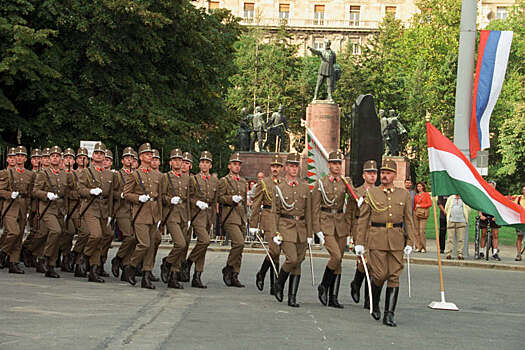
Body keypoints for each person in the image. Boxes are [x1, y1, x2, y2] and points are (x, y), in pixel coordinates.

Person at [355, 158, 416, 327]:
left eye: (388, 173)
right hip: (377, 238)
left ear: (395, 175)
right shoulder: (372, 194)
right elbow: (363, 219)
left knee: (394, 276)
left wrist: (410, 241)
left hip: (396, 239)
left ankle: (389, 314)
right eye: (383, 173)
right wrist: (359, 242)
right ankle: (374, 302)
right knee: (380, 275)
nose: (384, 176)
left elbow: (409, 220)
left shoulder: (403, 194)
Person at [313, 150, 357, 308]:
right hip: (326, 222)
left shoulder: (345, 182)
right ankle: (323, 285)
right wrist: (316, 229)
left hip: (341, 222)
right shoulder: (321, 183)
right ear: (329, 165)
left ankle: (333, 297)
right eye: (334, 163)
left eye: (339, 163)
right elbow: (315, 208)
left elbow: (354, 198)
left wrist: (352, 190)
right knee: (336, 256)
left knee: (339, 261)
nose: (337, 166)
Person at [269, 153, 312, 307]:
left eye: (296, 166)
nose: (294, 169)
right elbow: (275, 212)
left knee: (298, 262)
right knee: (292, 259)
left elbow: (308, 212)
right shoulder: (279, 189)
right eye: (291, 166)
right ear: (286, 168)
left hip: (301, 228)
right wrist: (275, 232)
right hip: (285, 227)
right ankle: (279, 284)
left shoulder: (305, 188)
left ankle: (292, 296)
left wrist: (310, 233)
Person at [122, 143, 163, 289]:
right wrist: (138, 198)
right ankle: (131, 266)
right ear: (140, 157)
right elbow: (126, 194)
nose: (150, 156)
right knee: (144, 244)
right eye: (146, 154)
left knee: (151, 246)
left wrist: (160, 217)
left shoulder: (157, 175)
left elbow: (159, 197)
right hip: (140, 214)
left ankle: (146, 275)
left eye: (151, 154)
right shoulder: (134, 174)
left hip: (153, 215)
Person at [180, 151, 218, 287]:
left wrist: (213, 220)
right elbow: (188, 197)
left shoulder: (214, 181)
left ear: (210, 165)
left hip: (207, 216)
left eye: (207, 162)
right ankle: (188, 262)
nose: (204, 164)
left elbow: (214, 202)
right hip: (196, 215)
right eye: (202, 162)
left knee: (203, 247)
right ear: (199, 164)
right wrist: (196, 202)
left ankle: (197, 275)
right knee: (205, 240)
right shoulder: (193, 179)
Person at [77, 142, 114, 283]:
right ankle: (85, 257)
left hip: (103, 209)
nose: (99, 156)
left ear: (104, 156)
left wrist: (110, 213)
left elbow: (110, 195)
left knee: (101, 239)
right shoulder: (86, 172)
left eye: (101, 154)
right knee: (96, 235)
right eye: (96, 153)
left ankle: (93, 270)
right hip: (90, 208)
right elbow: (80, 189)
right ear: (93, 156)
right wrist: (90, 191)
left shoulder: (109, 174)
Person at [32, 146, 70, 278]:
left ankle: (51, 266)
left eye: (57, 156)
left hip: (59, 209)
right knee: (56, 231)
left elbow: (68, 192)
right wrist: (46, 194)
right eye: (52, 156)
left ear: (61, 159)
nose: (55, 157)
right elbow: (35, 191)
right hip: (47, 208)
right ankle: (44, 256)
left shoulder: (65, 174)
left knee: (58, 236)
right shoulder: (43, 173)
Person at [250, 154, 283, 295]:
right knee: (274, 250)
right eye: (273, 166)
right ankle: (266, 276)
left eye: (278, 166)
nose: (275, 169)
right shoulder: (263, 183)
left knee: (277, 252)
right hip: (268, 217)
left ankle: (269, 281)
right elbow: (256, 205)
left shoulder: (284, 183)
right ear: (270, 168)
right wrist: (253, 224)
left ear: (282, 168)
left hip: (281, 220)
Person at [159, 149, 191, 289]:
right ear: (171, 162)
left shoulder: (186, 178)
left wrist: (189, 217)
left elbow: (188, 199)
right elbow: (162, 196)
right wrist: (170, 199)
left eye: (180, 160)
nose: (178, 162)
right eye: (175, 160)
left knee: (183, 247)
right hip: (171, 214)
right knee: (180, 243)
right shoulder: (166, 177)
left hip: (183, 214)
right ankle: (167, 263)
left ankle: (173, 275)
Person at [0, 146, 34, 274]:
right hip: (10, 206)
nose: (19, 158)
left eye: (22, 156)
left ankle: (13, 263)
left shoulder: (29, 174)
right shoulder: (6, 173)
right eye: (17, 155)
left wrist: (30, 207)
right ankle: (3, 252)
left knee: (19, 236)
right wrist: (9, 195)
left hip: (23, 205)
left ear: (25, 158)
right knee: (13, 232)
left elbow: (30, 192)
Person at [350, 159, 377, 309]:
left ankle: (369, 298)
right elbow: (350, 213)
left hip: (374, 230)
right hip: (360, 228)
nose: (372, 176)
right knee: (362, 262)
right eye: (369, 173)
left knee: (372, 264)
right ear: (363, 175)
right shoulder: (357, 191)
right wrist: (350, 234)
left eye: (374, 173)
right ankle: (356, 282)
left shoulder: (379, 192)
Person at [219, 152, 248, 287]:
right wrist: (231, 199)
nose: (237, 167)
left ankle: (235, 274)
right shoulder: (224, 181)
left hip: (241, 216)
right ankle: (228, 267)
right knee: (239, 243)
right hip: (230, 216)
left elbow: (245, 201)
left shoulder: (243, 181)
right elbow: (219, 197)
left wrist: (246, 218)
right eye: (234, 164)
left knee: (240, 249)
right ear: (229, 166)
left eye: (238, 165)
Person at [111, 147, 136, 279]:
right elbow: (112, 192)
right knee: (129, 237)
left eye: (131, 158)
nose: (129, 160)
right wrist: (120, 194)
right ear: (122, 160)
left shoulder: (136, 174)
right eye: (127, 158)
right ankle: (119, 258)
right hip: (122, 210)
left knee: (134, 239)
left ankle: (126, 266)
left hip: (134, 211)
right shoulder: (117, 175)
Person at [479, 181, 501, 261]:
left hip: (494, 217)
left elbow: (500, 207)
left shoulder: (497, 195)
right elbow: (479, 205)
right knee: (483, 234)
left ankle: (495, 253)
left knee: (495, 235)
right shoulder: (483, 195)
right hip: (485, 216)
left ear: (494, 187)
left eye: (491, 186)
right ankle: (481, 251)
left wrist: (496, 216)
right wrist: (481, 215)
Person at [444, 194, 471, 260]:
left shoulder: (464, 198)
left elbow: (468, 209)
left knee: (461, 239)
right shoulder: (451, 198)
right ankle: (448, 253)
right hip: (451, 220)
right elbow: (446, 208)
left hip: (461, 221)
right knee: (450, 238)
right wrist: (449, 216)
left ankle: (460, 253)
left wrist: (465, 216)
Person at [413, 182, 431, 253]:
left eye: (420, 186)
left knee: (422, 231)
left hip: (423, 214)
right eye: (418, 186)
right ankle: (418, 246)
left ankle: (423, 247)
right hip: (416, 213)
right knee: (416, 231)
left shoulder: (426, 194)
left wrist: (421, 206)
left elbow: (429, 204)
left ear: (423, 187)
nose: (419, 188)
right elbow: (415, 205)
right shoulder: (416, 195)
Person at [513, 186, 525, 261]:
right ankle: (518, 254)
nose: (524, 191)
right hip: (520, 221)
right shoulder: (518, 198)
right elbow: (513, 207)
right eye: (523, 190)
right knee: (519, 237)